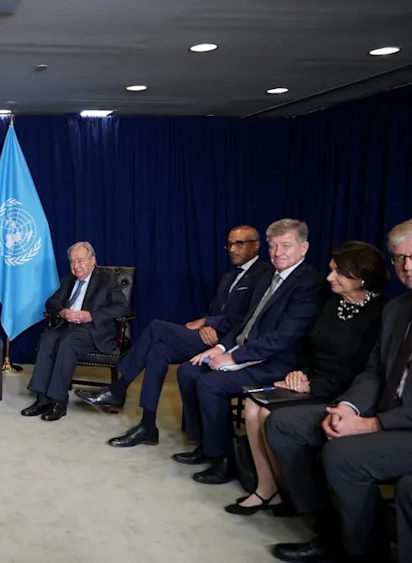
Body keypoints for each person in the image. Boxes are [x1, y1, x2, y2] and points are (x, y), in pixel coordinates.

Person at [265, 219, 412, 563]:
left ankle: (362, 550)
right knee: (281, 424)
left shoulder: (379, 309)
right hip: (372, 406)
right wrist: (348, 406)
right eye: (399, 258)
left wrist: (371, 425)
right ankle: (328, 530)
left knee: (340, 454)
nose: (407, 267)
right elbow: (374, 370)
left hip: (402, 425)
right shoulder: (398, 310)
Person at [225, 241, 387, 516]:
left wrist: (312, 385)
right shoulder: (333, 303)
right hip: (310, 381)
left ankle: (292, 493)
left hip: (341, 392)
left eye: (337, 272)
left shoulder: (381, 313)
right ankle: (268, 489)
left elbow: (365, 371)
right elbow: (310, 347)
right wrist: (299, 372)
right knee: (253, 405)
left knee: (266, 415)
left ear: (361, 276)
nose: (329, 277)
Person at [78, 225, 272, 446]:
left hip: (229, 343)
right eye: (229, 244)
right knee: (157, 352)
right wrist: (206, 324)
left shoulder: (263, 275)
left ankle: (119, 389)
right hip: (208, 336)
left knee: (156, 327)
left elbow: (247, 318)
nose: (232, 249)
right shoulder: (229, 277)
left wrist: (210, 324)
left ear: (255, 245)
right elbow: (214, 310)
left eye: (239, 243)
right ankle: (147, 426)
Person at [173, 218, 324, 484]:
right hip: (247, 349)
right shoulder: (268, 277)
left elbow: (283, 338)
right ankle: (206, 445)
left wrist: (232, 357)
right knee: (188, 370)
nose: (278, 253)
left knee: (210, 384)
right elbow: (246, 323)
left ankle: (224, 459)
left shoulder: (308, 284)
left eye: (286, 246)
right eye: (273, 246)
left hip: (277, 362)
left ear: (304, 247)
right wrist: (220, 347)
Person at [20, 241, 130, 422]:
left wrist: (91, 316)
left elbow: (122, 308)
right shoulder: (68, 280)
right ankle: (42, 399)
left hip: (91, 329)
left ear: (92, 260)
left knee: (67, 342)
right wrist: (62, 312)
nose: (76, 266)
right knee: (47, 339)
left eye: (80, 261)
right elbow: (51, 302)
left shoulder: (107, 279)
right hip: (67, 325)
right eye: (72, 262)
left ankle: (58, 402)